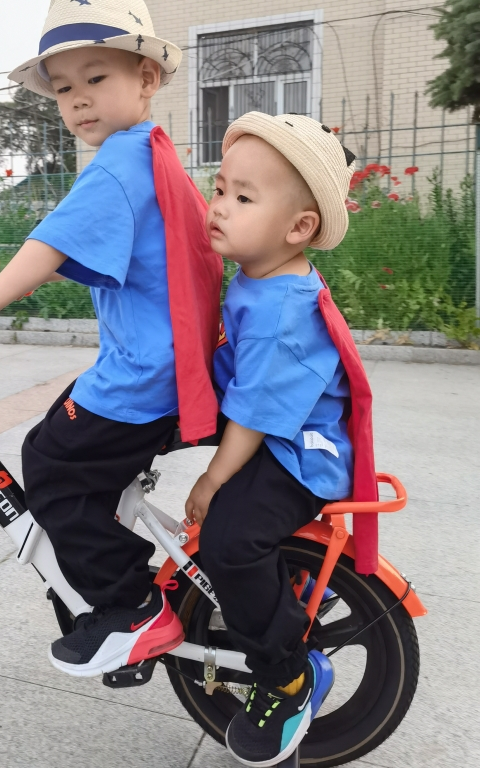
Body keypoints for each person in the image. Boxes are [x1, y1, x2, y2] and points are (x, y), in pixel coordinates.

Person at [0, 0, 223, 677]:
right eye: (64, 89)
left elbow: (53, 244)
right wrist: (8, 283)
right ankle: (112, 577)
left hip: (145, 375)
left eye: (96, 78)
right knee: (66, 443)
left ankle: (131, 607)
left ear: (146, 78)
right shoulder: (151, 154)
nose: (79, 100)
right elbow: (97, 253)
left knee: (50, 463)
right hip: (168, 363)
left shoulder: (118, 164)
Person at [184, 112, 361, 767]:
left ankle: (287, 677)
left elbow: (255, 416)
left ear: (298, 228)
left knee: (229, 539)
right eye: (219, 189)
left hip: (300, 453)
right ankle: (285, 586)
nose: (219, 206)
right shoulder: (262, 274)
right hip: (276, 431)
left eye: (243, 198)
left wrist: (213, 478)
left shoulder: (282, 309)